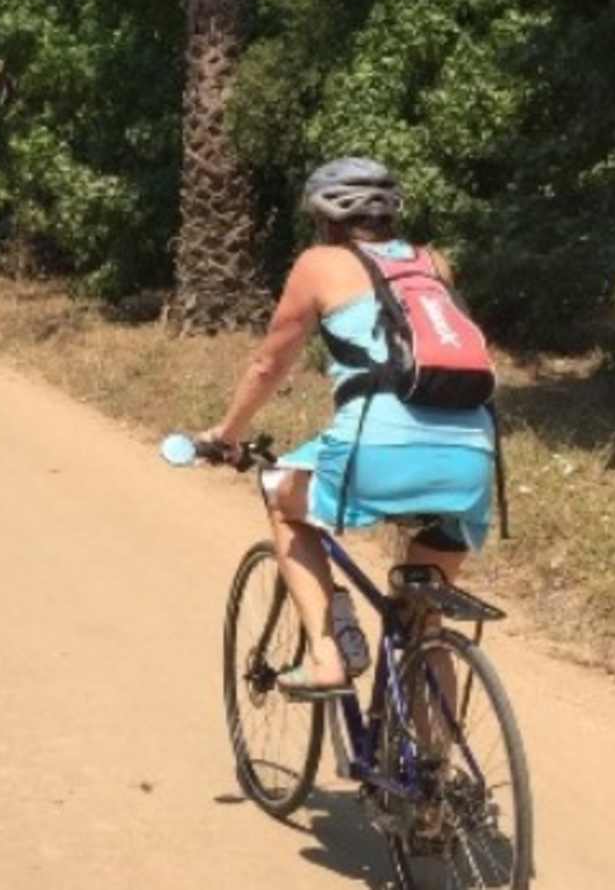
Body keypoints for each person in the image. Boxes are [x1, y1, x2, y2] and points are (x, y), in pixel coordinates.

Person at [199, 158, 495, 694]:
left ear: (323, 218)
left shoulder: (320, 263)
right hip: (473, 458)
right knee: (423, 621)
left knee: (282, 495)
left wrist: (227, 434)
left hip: (379, 451)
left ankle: (325, 655)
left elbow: (268, 364)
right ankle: (437, 769)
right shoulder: (434, 263)